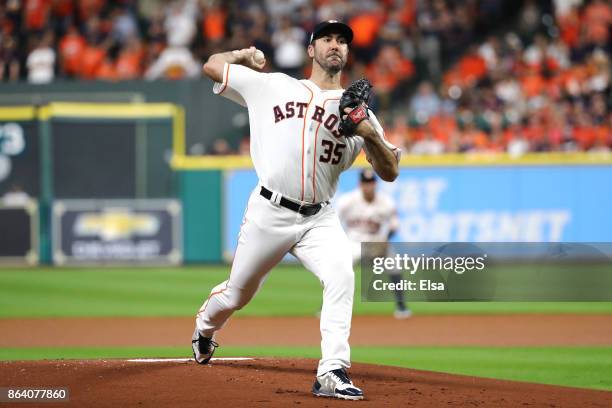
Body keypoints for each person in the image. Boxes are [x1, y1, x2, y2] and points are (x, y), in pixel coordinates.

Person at [193, 20, 400, 401]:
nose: (335, 45)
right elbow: (211, 65)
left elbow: (390, 172)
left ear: (348, 53)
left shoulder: (360, 116)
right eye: (326, 39)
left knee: (341, 275)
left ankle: (332, 371)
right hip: (269, 211)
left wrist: (368, 133)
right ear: (311, 50)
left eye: (342, 41)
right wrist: (242, 55)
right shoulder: (273, 86)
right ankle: (205, 328)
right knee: (237, 295)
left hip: (318, 219)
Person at [336, 169, 411, 319]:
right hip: (354, 241)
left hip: (377, 240)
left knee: (395, 264)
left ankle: (401, 306)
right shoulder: (347, 201)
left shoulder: (386, 202)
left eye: (371, 183)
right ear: (360, 184)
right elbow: (334, 223)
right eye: (365, 183)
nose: (368, 186)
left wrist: (385, 239)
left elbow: (394, 225)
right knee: (341, 269)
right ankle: (328, 307)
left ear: (375, 184)